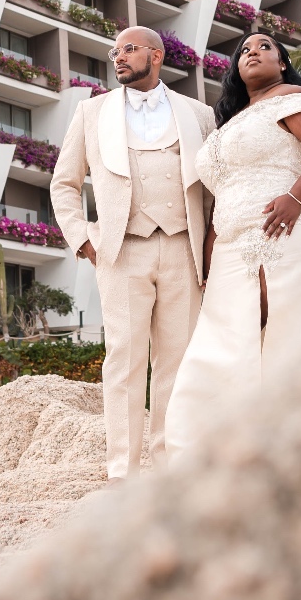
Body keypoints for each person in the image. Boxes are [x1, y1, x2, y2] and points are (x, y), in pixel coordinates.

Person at [165, 30, 301, 459]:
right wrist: (209, 254)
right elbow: (222, 194)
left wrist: (296, 197)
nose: (252, 52)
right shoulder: (231, 121)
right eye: (244, 49)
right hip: (230, 241)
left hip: (286, 227)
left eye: (265, 46)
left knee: (288, 325)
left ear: (283, 63)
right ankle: (212, 447)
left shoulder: (293, 99)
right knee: (224, 338)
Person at [49, 27, 217, 480]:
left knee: (177, 360)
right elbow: (63, 183)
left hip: (185, 249)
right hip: (121, 250)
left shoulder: (199, 114)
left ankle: (171, 466)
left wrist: (212, 247)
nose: (118, 57)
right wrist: (82, 237)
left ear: (156, 55)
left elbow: (214, 188)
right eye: (115, 51)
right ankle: (122, 469)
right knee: (123, 359)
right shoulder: (90, 112)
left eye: (128, 49)